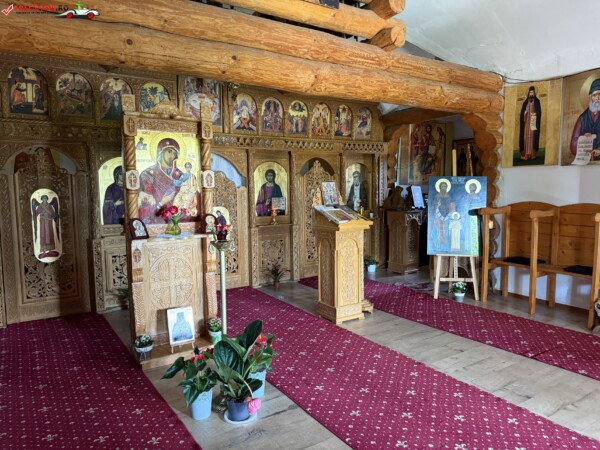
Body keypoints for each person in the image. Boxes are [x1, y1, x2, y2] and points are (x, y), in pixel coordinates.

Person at [139, 138, 189, 223]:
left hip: (176, 219)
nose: (172, 156)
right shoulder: (148, 174)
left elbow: (186, 197)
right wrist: (161, 203)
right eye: (169, 151)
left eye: (174, 153)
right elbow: (146, 203)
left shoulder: (181, 176)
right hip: (155, 219)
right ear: (161, 152)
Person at [570, 78, 600, 160]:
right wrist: (583, 139)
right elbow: (573, 144)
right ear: (590, 97)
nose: (597, 99)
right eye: (594, 95)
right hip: (586, 160)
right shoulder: (582, 118)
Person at [32, 194, 60, 259]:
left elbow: (53, 214)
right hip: (43, 222)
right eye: (43, 198)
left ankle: (50, 250)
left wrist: (56, 216)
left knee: (50, 235)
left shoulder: (50, 206)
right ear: (42, 199)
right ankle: (44, 251)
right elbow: (36, 213)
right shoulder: (40, 206)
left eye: (46, 198)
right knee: (43, 235)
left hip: (49, 222)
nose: (45, 199)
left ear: (47, 199)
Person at [519, 85, 542, 160]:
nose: (531, 94)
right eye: (530, 93)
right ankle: (525, 153)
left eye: (532, 93)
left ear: (534, 93)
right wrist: (525, 112)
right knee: (526, 137)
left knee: (532, 137)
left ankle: (532, 154)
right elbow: (522, 113)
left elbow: (539, 112)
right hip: (527, 122)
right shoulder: (525, 103)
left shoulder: (537, 102)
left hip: (533, 121)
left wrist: (535, 113)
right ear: (528, 93)